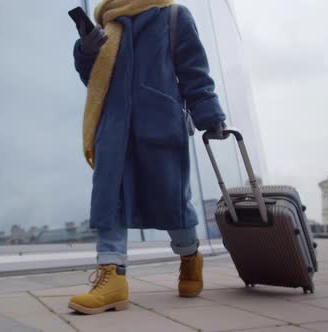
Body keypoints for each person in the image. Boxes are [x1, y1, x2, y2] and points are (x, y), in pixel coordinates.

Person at [69, 0, 227, 315]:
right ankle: (111, 277)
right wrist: (86, 51)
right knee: (108, 196)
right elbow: (93, 80)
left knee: (171, 200)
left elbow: (193, 69)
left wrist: (208, 113)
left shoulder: (173, 15)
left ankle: (189, 255)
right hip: (113, 127)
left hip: (160, 122)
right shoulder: (107, 25)